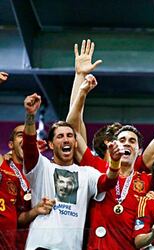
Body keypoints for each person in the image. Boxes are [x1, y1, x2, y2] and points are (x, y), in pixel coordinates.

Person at [66, 40, 154, 249]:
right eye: (122, 140)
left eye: (132, 141)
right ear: (113, 144)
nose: (126, 144)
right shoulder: (96, 167)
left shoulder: (143, 174)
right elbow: (73, 130)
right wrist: (80, 79)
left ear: (139, 150)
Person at [22, 93, 121, 250]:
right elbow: (28, 148)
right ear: (51, 144)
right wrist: (30, 115)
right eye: (60, 136)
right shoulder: (42, 168)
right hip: (40, 246)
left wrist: (115, 162)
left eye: (69, 136)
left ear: (75, 143)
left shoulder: (87, 173)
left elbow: (108, 182)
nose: (66, 139)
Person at [0, 125, 54, 249]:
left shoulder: (43, 170)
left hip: (33, 244)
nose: (25, 137)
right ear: (11, 145)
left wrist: (35, 211)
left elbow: (18, 218)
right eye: (20, 135)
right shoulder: (3, 167)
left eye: (29, 137)